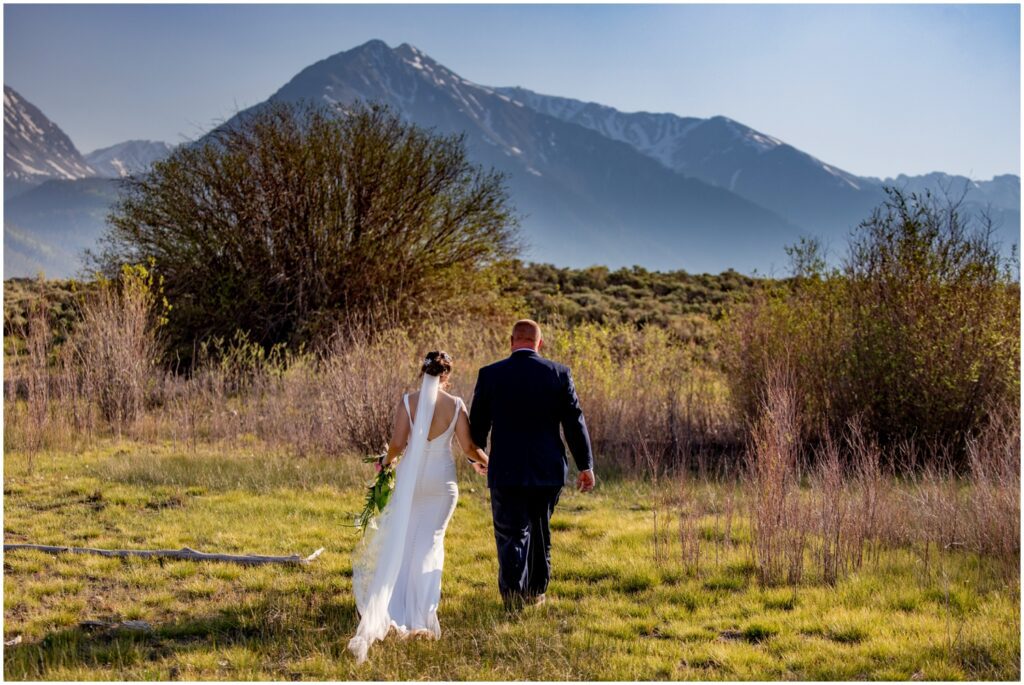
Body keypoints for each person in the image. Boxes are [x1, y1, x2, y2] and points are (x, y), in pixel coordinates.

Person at [347, 351, 488, 664]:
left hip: (411, 481)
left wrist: (385, 463)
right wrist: (487, 462)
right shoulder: (455, 405)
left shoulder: (408, 402)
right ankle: (421, 614)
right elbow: (468, 447)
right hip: (441, 483)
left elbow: (398, 444)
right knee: (429, 545)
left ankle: (393, 608)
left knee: (404, 541)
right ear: (447, 376)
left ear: (422, 372)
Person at [469, 319, 595, 610]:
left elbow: (477, 424)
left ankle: (513, 597)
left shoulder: (490, 374)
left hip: (506, 469)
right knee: (540, 530)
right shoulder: (559, 373)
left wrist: (476, 457)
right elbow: (574, 422)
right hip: (547, 469)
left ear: (511, 341)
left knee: (510, 534)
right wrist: (585, 465)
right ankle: (536, 592)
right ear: (540, 343)